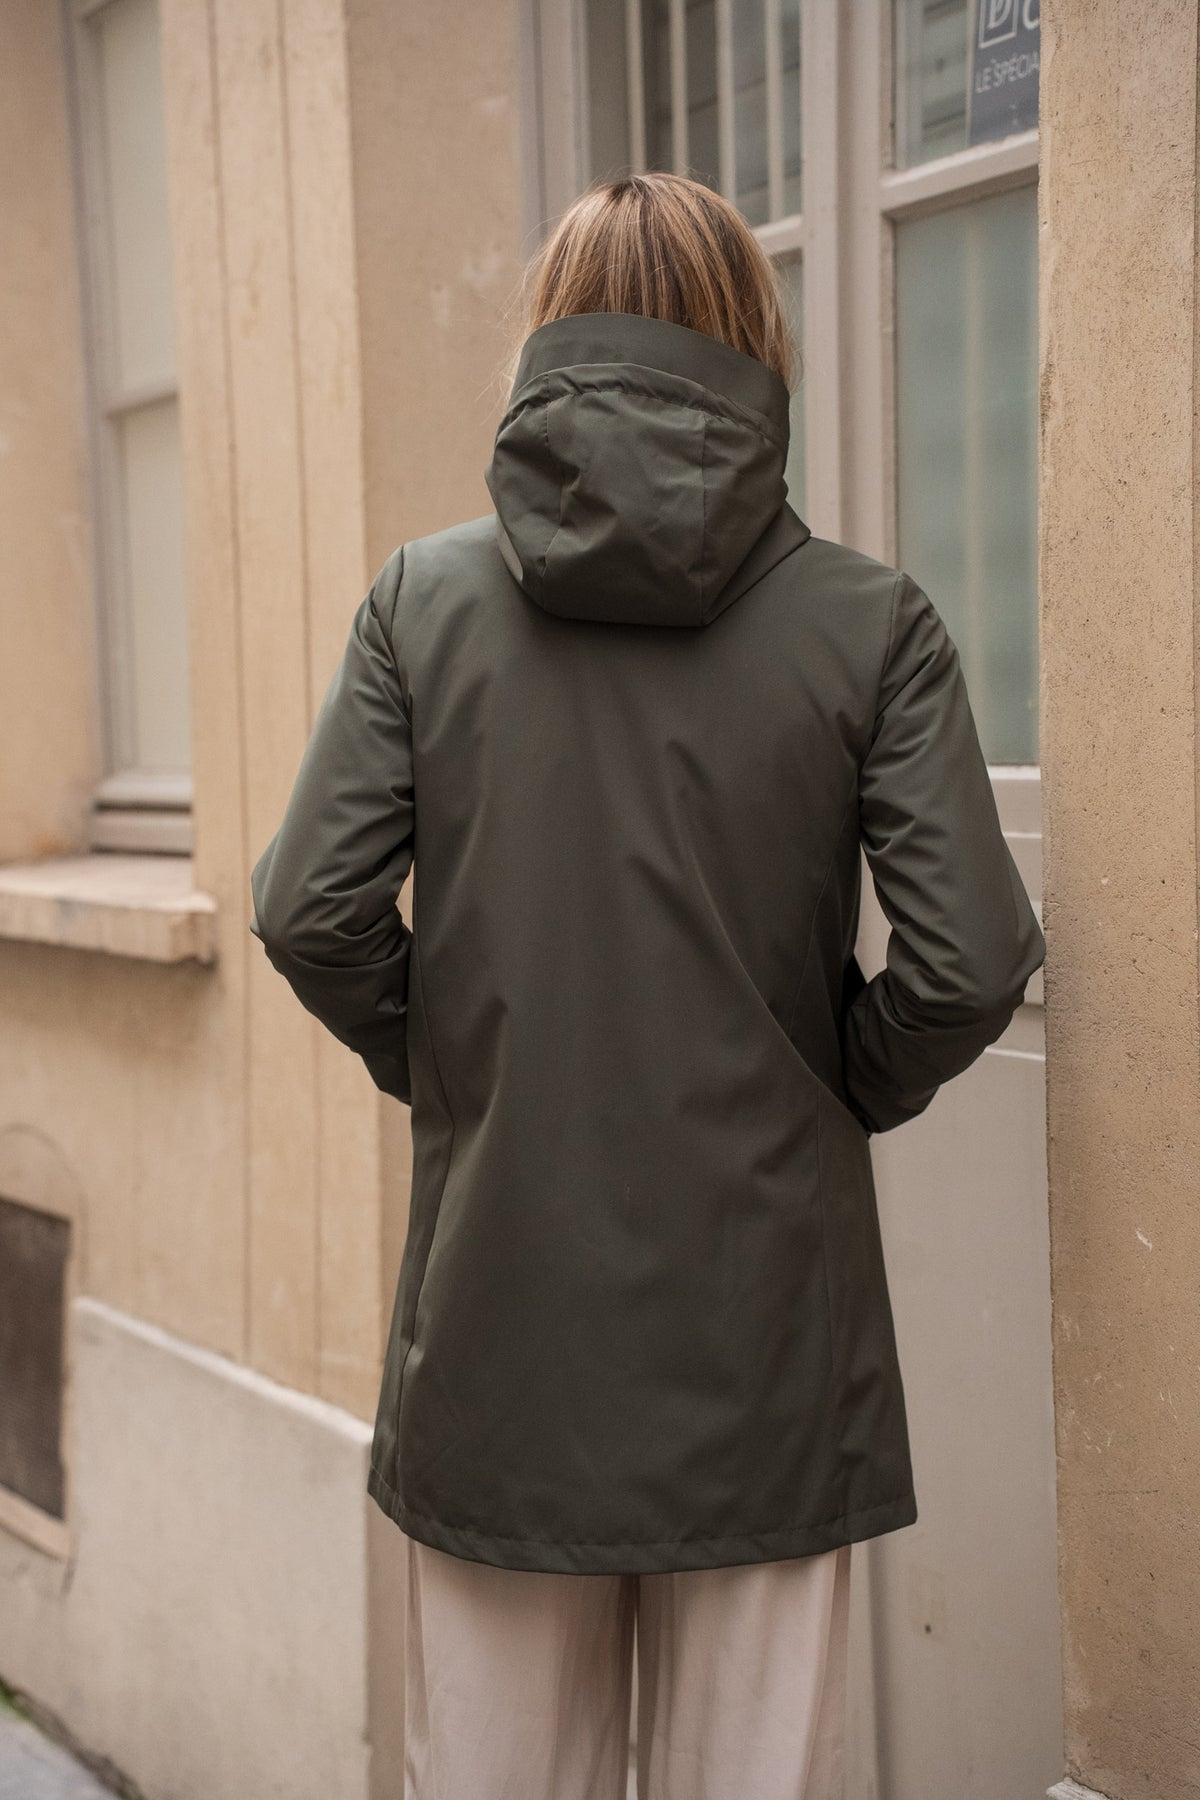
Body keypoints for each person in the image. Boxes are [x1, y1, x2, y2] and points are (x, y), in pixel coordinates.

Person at [248, 171, 1045, 1800]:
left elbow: (310, 910)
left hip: (499, 1343)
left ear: (550, 336)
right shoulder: (870, 625)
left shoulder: (422, 604)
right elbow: (968, 961)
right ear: (757, 341)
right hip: (768, 1349)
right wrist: (845, 1078)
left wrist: (452, 1062)